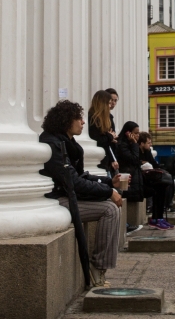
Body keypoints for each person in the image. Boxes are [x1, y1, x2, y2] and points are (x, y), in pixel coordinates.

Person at [38, 100, 124, 287]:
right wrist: (109, 191)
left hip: (66, 195)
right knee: (109, 210)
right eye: (78, 118)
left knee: (112, 208)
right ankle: (97, 268)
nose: (83, 122)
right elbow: (73, 182)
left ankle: (99, 268)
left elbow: (79, 175)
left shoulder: (66, 143)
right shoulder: (53, 145)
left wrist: (109, 182)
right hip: (56, 200)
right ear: (66, 120)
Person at [138, 131, 175, 230]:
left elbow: (153, 163)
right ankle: (156, 219)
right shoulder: (136, 151)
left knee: (164, 186)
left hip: (150, 178)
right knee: (158, 190)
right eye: (148, 143)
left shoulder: (147, 151)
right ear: (142, 143)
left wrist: (163, 170)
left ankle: (159, 218)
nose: (150, 145)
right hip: (141, 180)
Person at [113, 121, 145, 234]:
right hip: (125, 175)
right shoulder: (123, 145)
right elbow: (135, 160)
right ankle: (125, 226)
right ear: (128, 133)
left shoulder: (130, 144)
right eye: (136, 133)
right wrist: (134, 144)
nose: (138, 135)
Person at [87, 91, 118, 175]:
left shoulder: (101, 120)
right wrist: (110, 137)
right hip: (98, 162)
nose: (110, 105)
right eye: (108, 103)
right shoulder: (94, 119)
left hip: (105, 161)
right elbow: (97, 140)